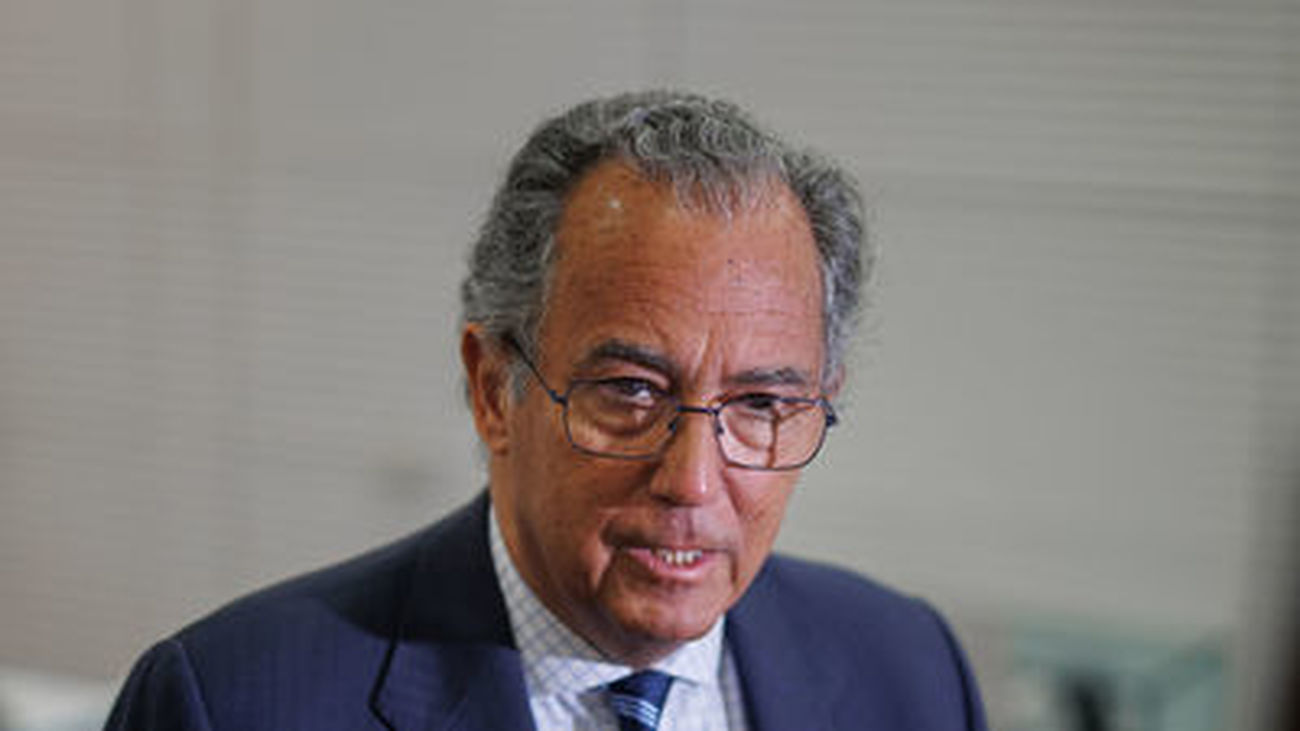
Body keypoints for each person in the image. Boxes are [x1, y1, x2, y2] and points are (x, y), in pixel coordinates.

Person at [104, 90, 987, 730]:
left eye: (760, 402)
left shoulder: (910, 670)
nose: (691, 480)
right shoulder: (233, 702)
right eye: (631, 391)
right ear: (495, 387)